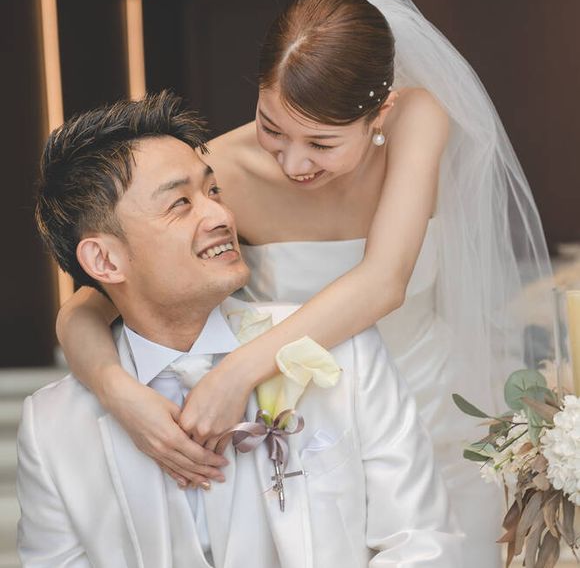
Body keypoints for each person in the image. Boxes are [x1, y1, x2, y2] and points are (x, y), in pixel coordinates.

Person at [54, 0, 553, 565]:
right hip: (304, 436)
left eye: (321, 143)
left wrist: (236, 372)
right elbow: (85, 306)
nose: (293, 162)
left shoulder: (418, 118)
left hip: (434, 408)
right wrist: (118, 393)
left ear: (380, 114)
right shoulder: (217, 174)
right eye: (271, 127)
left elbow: (383, 282)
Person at [18, 92, 463, 567]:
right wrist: (113, 387)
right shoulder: (52, 428)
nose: (223, 216)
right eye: (180, 204)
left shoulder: (341, 357)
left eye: (214, 192)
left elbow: (423, 546)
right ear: (104, 260)